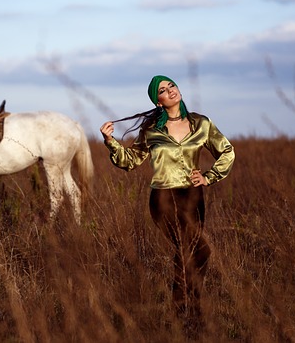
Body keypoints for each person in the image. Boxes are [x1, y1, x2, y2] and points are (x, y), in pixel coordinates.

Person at [99, 75, 235, 316]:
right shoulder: (151, 130)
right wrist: (110, 141)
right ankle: (185, 309)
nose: (170, 90)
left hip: (194, 197)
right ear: (158, 102)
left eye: (171, 85)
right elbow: (130, 161)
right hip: (163, 198)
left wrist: (208, 177)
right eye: (163, 90)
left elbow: (226, 151)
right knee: (197, 249)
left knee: (189, 252)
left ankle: (188, 312)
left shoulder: (201, 123)